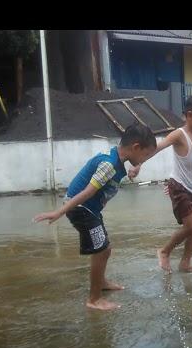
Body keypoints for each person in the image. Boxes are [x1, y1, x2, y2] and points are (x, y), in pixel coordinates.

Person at [33, 123, 157, 310]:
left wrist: (135, 168)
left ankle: (102, 283)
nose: (143, 160)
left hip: (90, 210)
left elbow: (108, 184)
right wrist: (60, 211)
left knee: (104, 249)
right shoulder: (109, 164)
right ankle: (94, 299)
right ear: (136, 147)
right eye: (145, 155)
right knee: (100, 250)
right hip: (81, 208)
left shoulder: (117, 158)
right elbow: (88, 192)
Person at [128, 95, 192, 274]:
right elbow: (156, 148)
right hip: (179, 186)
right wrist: (138, 165)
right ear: (190, 115)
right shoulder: (179, 135)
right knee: (190, 226)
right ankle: (165, 251)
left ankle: (185, 263)